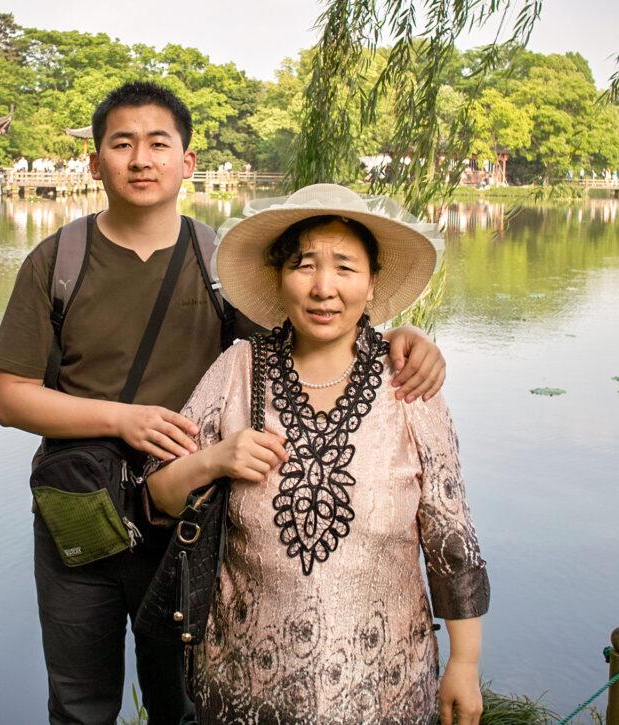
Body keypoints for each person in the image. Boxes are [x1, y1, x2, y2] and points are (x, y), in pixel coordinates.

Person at [0, 83, 449, 724]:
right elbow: (10, 400)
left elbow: (307, 340)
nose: (141, 160)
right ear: (96, 162)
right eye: (122, 144)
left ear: (188, 161)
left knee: (181, 701)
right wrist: (122, 418)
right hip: (80, 515)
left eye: (158, 144)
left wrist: (400, 335)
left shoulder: (216, 266)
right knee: (78, 704)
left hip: (190, 524)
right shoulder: (58, 260)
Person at [146, 183, 490, 724]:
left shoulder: (409, 382)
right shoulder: (238, 368)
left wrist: (465, 662)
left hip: (386, 689)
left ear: (372, 283)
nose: (323, 288)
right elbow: (160, 496)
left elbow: (449, 534)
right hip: (244, 687)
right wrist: (214, 460)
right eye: (305, 265)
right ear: (279, 279)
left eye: (346, 268)